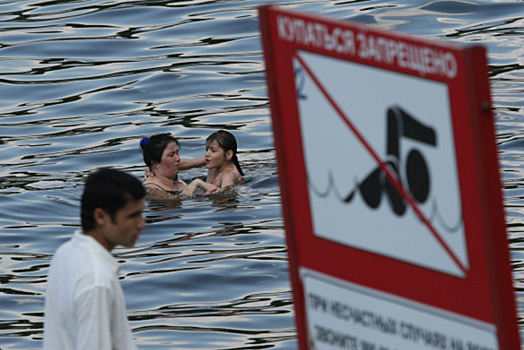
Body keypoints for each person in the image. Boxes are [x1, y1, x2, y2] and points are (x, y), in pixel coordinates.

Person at [43, 168, 147, 350]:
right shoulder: (97, 281)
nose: (142, 224)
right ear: (100, 216)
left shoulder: (65, 253)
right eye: (133, 215)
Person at [182, 130, 244, 197]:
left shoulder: (228, 174)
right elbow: (186, 164)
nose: (207, 154)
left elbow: (225, 198)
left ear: (228, 154)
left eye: (213, 150)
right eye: (206, 149)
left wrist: (198, 183)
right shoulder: (214, 162)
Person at [140, 133, 204, 195]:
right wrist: (198, 183)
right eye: (171, 155)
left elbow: (188, 163)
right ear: (155, 162)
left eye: (177, 153)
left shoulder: (173, 178)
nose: (178, 158)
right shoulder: (152, 189)